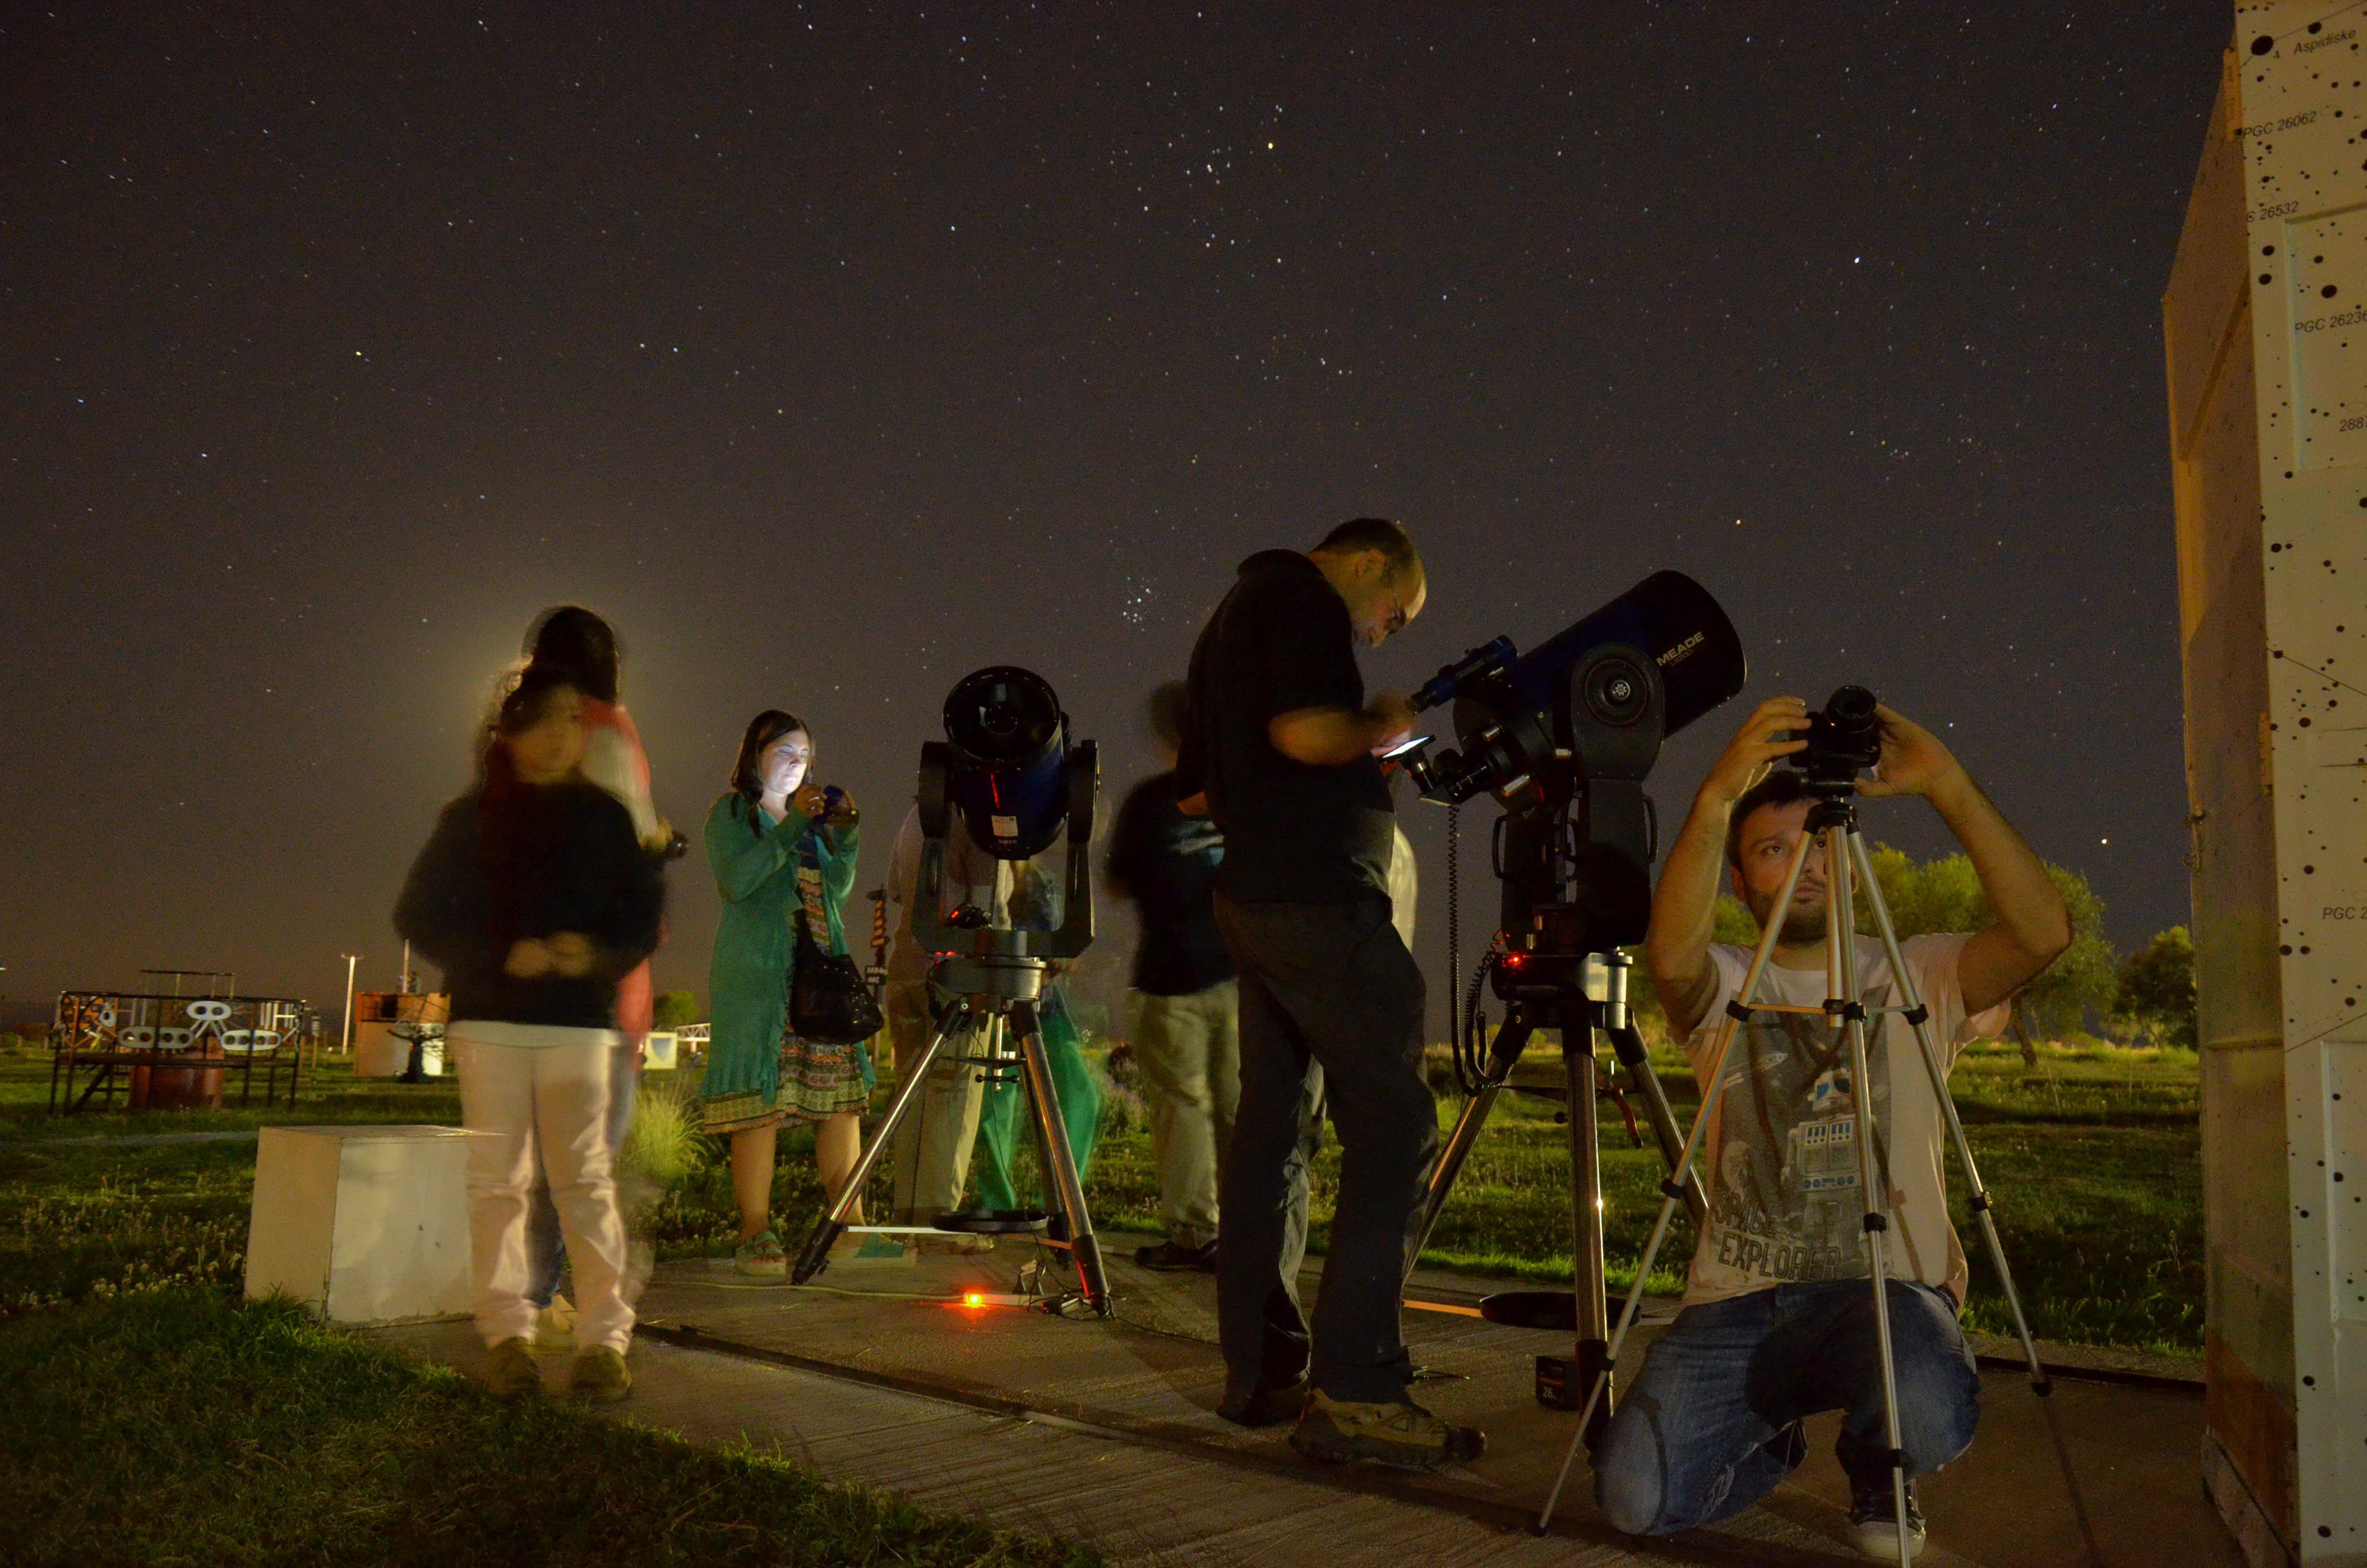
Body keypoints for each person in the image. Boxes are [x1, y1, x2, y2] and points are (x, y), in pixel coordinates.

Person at [1598, 697, 2071, 1560]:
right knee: (1636, 1501)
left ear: (1851, 864)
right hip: (1740, 1300)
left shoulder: (1919, 968)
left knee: (1927, 1404)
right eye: (1774, 850)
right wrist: (1716, 796)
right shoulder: (1726, 982)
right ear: (1741, 882)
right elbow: (1669, 957)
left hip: (1884, 1294)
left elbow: (2043, 932)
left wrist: (1947, 785)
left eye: (1822, 842)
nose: (1806, 864)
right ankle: (1770, 1428)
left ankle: (1880, 1461)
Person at [1177, 515, 1481, 1470]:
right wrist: (1374, 727)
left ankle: (1266, 1371)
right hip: (1317, 900)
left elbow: (1195, 790)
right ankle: (1358, 1386)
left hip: (1254, 898)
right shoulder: (1303, 599)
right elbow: (1304, 730)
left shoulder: (1228, 616)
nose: (1385, 633)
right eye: (1395, 610)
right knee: (1395, 1128)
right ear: (1367, 563)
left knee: (1274, 1132)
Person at [394, 667, 664, 1402]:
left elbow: (641, 913)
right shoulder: (471, 818)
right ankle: (508, 1337)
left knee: (583, 1183)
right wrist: (494, 954)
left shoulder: (605, 818)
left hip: (577, 1025)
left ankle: (605, 1340)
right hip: (490, 1021)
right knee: (498, 1187)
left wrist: (596, 955)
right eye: (544, 720)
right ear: (508, 734)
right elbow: (418, 913)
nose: (561, 735)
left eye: (572, 721)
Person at [515, 606, 670, 1338]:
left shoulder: (515, 734)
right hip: (598, 968)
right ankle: (542, 1298)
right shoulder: (606, 728)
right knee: (585, 1151)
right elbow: (623, 832)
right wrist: (655, 844)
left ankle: (527, 1292)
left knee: (537, 1147)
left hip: (520, 967)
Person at [698, 711, 865, 1276]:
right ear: (755, 755)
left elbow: (837, 890)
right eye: (786, 752)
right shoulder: (734, 813)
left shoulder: (811, 823)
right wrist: (793, 825)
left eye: (805, 757)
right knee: (760, 1105)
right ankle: (755, 1230)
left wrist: (845, 834)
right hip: (759, 977)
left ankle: (851, 1227)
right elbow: (738, 880)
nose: (797, 765)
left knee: (840, 1102)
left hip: (821, 970)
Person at [1105, 681, 1238, 1273]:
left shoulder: (1149, 803)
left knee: (1182, 1112)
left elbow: (1118, 881)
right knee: (1242, 1111)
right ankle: (1255, 1229)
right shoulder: (1247, 794)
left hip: (1169, 979)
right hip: (1238, 977)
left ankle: (1195, 1234)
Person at [880, 801, 1010, 1248]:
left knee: (912, 1095)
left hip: (907, 965)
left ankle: (909, 1220)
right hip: (956, 974)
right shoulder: (982, 817)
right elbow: (989, 905)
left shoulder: (914, 813)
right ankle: (939, 1222)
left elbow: (897, 889)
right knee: (953, 1092)